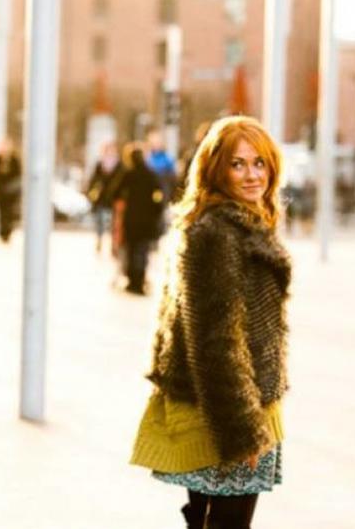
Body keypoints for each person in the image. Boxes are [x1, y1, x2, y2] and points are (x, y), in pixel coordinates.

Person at [130, 116, 292, 529]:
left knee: (207, 519)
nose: (252, 175)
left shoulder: (238, 223)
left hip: (234, 404)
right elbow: (215, 341)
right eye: (238, 164)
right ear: (216, 169)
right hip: (227, 412)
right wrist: (242, 430)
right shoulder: (217, 233)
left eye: (259, 162)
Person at [114, 143, 164, 294]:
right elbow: (159, 196)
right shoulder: (151, 175)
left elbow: (115, 192)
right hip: (147, 220)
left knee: (131, 249)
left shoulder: (128, 175)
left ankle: (132, 281)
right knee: (142, 250)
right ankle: (140, 280)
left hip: (131, 219)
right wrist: (156, 211)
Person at [85, 140, 119, 253]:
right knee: (99, 221)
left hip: (113, 198)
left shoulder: (119, 165)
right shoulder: (99, 164)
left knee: (113, 222)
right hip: (101, 198)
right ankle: (99, 240)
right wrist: (91, 192)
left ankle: (113, 244)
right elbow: (93, 180)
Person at [0, 137, 22, 243]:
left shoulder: (14, 160)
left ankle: (8, 232)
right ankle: (3, 233)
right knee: (2, 213)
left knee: (9, 213)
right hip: (0, 192)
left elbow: (18, 174)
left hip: (11, 193)